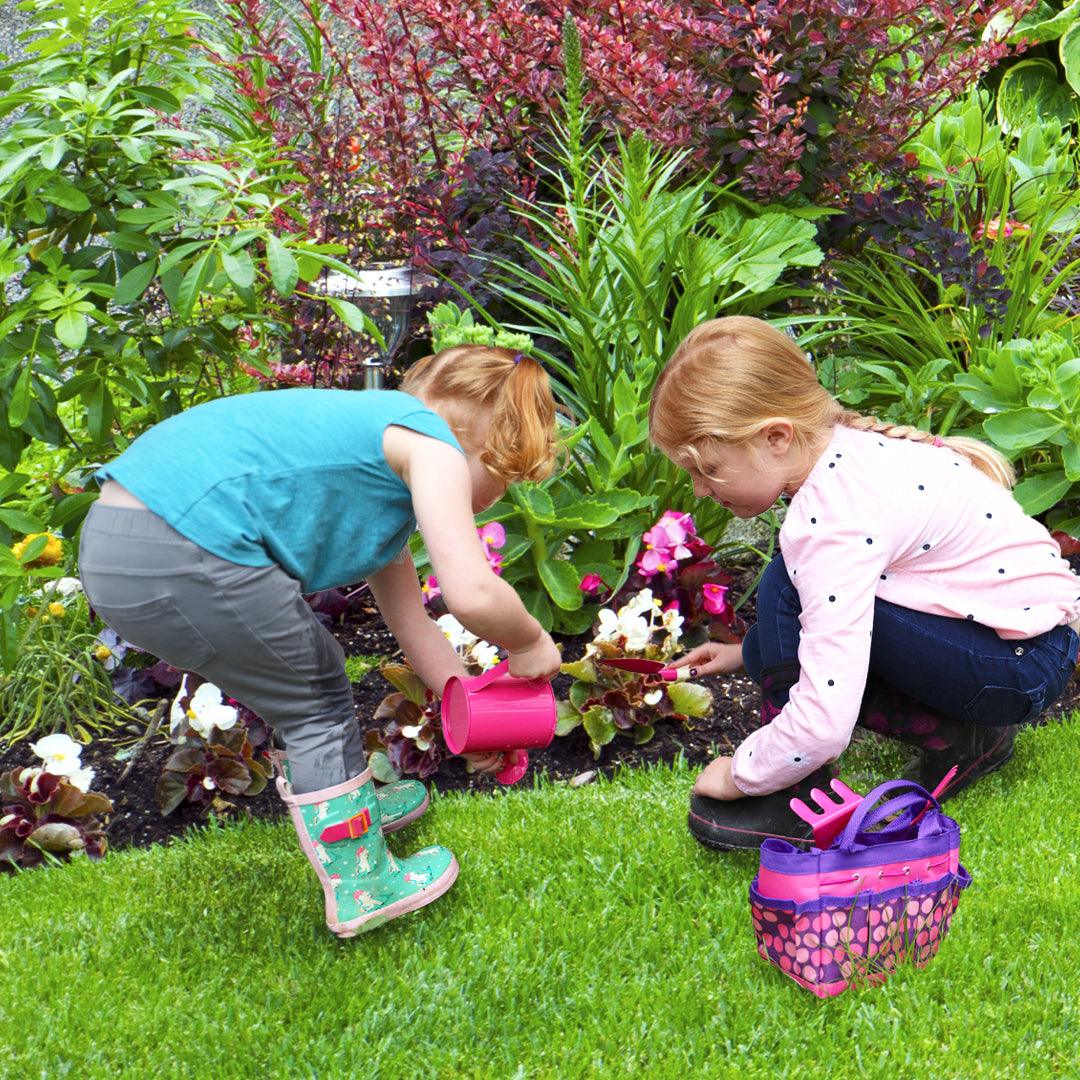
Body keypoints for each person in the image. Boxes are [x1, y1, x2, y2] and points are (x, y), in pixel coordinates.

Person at [78, 345, 562, 933]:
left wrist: (472, 709)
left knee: (301, 682)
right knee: (316, 695)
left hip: (116, 543)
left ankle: (342, 805)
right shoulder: (433, 444)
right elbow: (473, 593)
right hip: (185, 543)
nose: (496, 497)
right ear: (486, 445)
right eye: (504, 477)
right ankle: (362, 882)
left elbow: (413, 621)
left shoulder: (375, 459)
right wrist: (530, 642)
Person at [648, 316, 1080, 851]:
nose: (699, 489)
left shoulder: (832, 520)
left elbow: (826, 718)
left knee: (787, 582)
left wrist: (743, 772)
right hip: (1024, 652)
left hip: (1010, 668)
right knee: (772, 637)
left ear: (776, 436)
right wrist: (746, 654)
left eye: (709, 468)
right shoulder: (847, 451)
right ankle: (966, 741)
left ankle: (793, 788)